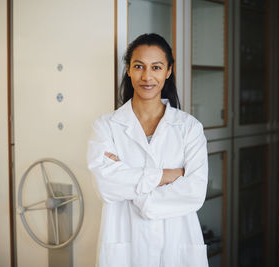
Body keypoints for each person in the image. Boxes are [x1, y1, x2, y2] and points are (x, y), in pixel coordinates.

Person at [87, 33, 209, 267]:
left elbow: (194, 191)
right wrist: (167, 176)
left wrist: (134, 188)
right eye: (139, 66)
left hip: (177, 243)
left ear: (168, 71)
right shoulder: (106, 127)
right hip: (125, 244)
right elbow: (105, 185)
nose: (147, 76)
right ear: (129, 70)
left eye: (156, 67)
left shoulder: (189, 128)